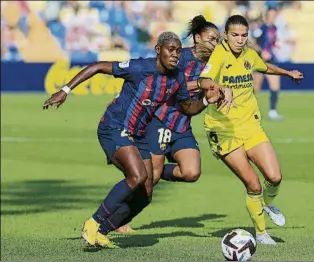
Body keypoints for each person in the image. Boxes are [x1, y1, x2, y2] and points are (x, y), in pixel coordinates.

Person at [42, 31, 232, 248]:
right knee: (138, 176)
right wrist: (65, 90)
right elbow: (97, 66)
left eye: (179, 51)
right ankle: (92, 223)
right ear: (158, 50)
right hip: (114, 126)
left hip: (139, 133)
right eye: (171, 49)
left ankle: (103, 231)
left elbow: (188, 107)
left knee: (146, 193)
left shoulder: (177, 76)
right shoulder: (139, 68)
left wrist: (207, 102)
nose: (175, 55)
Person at [198, 15, 304, 245]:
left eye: (244, 35)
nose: (239, 39)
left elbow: (265, 67)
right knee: (253, 184)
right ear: (226, 35)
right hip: (223, 130)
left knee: (274, 177)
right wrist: (220, 86)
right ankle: (262, 233)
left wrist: (287, 73)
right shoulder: (219, 55)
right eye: (235, 35)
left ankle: (265, 204)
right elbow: (203, 80)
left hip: (251, 126)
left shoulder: (248, 54)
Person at [115, 15, 220, 234]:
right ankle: (119, 219)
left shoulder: (214, 62)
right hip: (160, 119)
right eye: (211, 39)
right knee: (147, 184)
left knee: (191, 172)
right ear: (198, 37)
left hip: (182, 124)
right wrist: (201, 83)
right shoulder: (179, 56)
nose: (215, 44)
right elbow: (163, 82)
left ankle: (157, 170)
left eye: (217, 40)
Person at [252, 8, 283, 120]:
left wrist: (275, 48)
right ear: (267, 16)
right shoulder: (262, 28)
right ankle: (247, 110)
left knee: (275, 86)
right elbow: (253, 43)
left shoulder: (274, 28)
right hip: (260, 61)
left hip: (271, 61)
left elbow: (272, 43)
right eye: (270, 15)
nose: (272, 17)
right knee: (256, 88)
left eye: (274, 15)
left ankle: (273, 111)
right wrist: (261, 51)